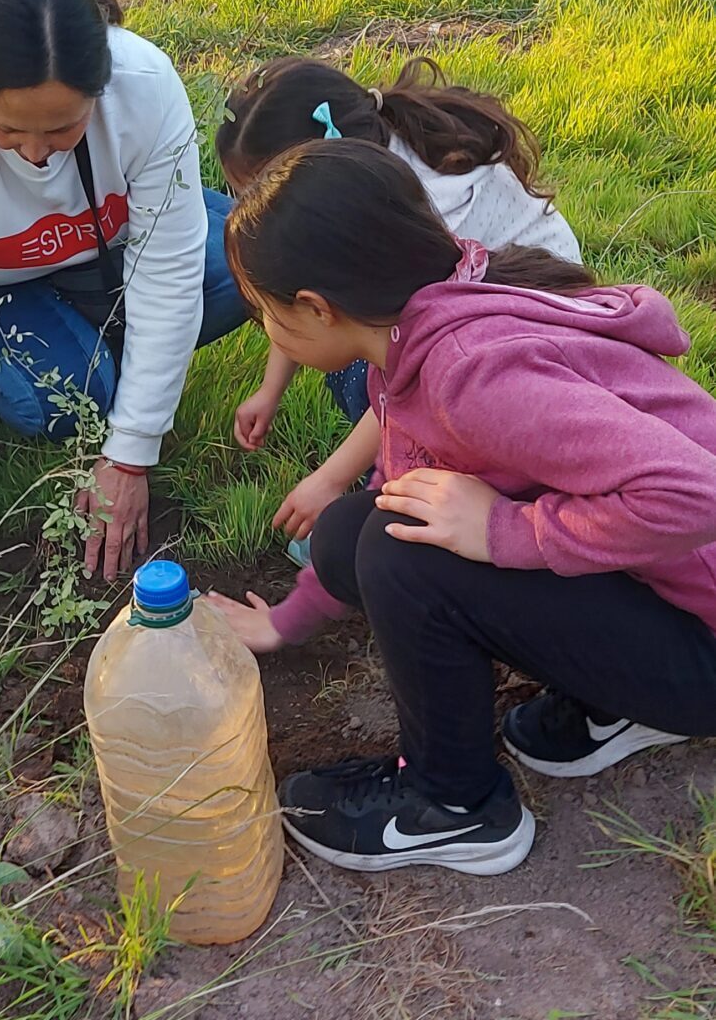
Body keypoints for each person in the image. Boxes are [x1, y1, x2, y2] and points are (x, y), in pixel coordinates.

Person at [212, 140, 716, 878]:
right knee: (364, 527)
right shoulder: (425, 325)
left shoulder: (470, 375)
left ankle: (455, 805)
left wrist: (504, 530)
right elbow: (393, 493)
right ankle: (620, 703)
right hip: (672, 597)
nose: (267, 330)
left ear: (317, 310)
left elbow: (695, 495)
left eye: (265, 313)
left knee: (400, 548)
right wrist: (283, 623)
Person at [0, 0, 245, 643]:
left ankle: (105, 364)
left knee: (251, 270)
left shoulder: (146, 86)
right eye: (8, 132)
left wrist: (130, 453)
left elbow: (168, 270)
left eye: (64, 130)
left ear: (100, 89)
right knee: (60, 399)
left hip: (103, 255)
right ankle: (45, 367)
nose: (37, 155)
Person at [216, 55, 580, 561]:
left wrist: (329, 480)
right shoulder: (365, 174)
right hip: (465, 326)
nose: (248, 204)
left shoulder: (413, 214)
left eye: (258, 188)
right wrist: (269, 390)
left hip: (533, 346)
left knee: (360, 368)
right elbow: (291, 280)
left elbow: (410, 368)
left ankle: (410, 496)